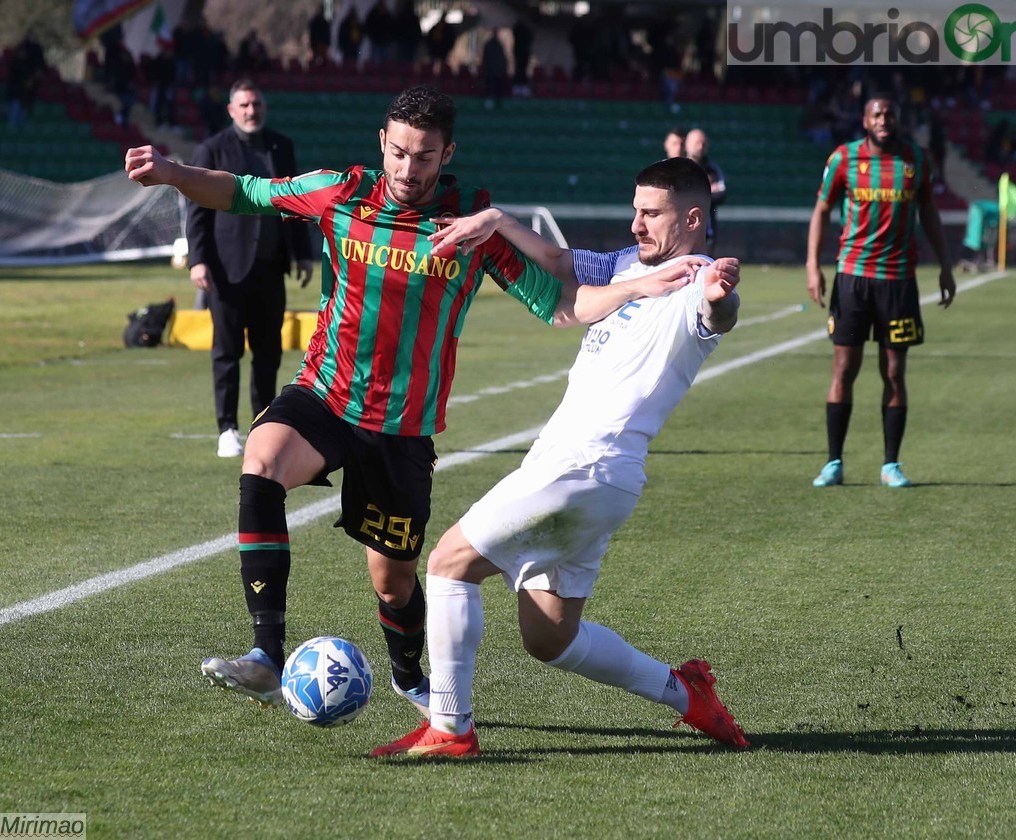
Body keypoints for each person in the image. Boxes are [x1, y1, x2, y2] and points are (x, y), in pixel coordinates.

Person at [124, 85, 676, 714]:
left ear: (447, 154)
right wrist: (171, 173)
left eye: (425, 156)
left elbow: (562, 306)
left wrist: (639, 288)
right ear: (382, 143)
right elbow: (244, 193)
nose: (409, 169)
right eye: (400, 152)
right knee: (262, 460)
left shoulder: (470, 223)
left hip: (402, 428)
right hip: (326, 393)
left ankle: (409, 675)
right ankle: (266, 655)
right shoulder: (344, 191)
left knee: (394, 583)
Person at [371, 157, 748, 758]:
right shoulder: (631, 266)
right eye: (634, 209)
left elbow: (716, 317)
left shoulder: (700, 281)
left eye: (650, 213)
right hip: (598, 479)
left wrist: (719, 299)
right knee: (550, 638)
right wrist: (494, 220)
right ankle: (688, 694)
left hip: (585, 465)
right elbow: (558, 262)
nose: (635, 224)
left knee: (447, 564)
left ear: (694, 218)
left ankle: (449, 728)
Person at [806, 94, 956, 489]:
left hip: (899, 281)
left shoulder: (916, 161)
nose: (884, 119)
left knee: (894, 372)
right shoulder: (843, 159)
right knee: (843, 369)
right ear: (865, 120)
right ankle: (833, 462)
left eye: (890, 113)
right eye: (877, 114)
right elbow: (822, 210)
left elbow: (929, 213)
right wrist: (812, 265)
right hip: (853, 279)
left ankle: (891, 464)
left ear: (898, 119)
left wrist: (944, 265)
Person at [185, 80, 314, 459]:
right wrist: (198, 259)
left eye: (256, 104)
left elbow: (296, 203)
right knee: (226, 351)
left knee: (268, 352)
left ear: (264, 106)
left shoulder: (281, 146)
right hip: (226, 268)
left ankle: (263, 425)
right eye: (243, 105)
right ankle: (227, 428)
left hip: (271, 268)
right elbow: (197, 209)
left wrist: (302, 254)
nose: (251, 111)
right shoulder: (211, 149)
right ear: (231, 109)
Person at [684, 128, 725, 250]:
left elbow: (721, 194)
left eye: (703, 143)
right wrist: (707, 190)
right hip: (682, 229)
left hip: (706, 230)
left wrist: (693, 192)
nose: (700, 146)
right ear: (687, 144)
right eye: (697, 143)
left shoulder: (713, 170)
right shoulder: (679, 168)